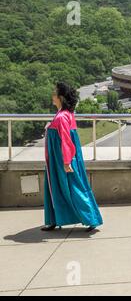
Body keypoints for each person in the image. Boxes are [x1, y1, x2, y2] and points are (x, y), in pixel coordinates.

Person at [41, 82, 103, 232]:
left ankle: (91, 218)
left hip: (62, 159)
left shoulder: (62, 116)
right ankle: (55, 219)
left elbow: (66, 140)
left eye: (54, 93)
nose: (52, 96)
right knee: (57, 187)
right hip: (57, 159)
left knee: (74, 187)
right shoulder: (65, 114)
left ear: (60, 97)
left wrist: (67, 161)